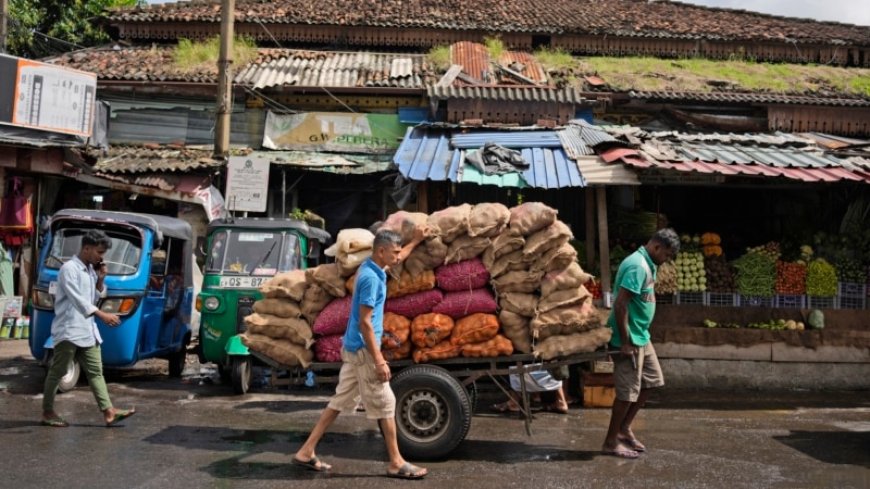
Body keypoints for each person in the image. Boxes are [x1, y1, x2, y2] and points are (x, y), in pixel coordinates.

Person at [293, 228, 429, 479]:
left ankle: (306, 450)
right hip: (365, 351)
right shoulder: (369, 279)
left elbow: (399, 257)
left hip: (355, 348)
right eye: (395, 252)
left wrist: (416, 240)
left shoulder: (375, 267)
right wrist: (378, 360)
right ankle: (396, 462)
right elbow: (365, 322)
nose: (398, 257)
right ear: (381, 251)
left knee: (339, 402)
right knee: (387, 403)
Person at [41, 230, 137, 428]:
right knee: (58, 371)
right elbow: (77, 299)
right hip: (69, 328)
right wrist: (102, 315)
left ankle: (109, 412)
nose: (101, 257)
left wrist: (101, 279)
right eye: (99, 252)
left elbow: (96, 296)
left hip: (87, 329)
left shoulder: (91, 270)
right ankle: (47, 411)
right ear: (86, 248)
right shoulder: (69, 269)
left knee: (96, 372)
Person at [601, 228, 679, 459]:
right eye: (666, 255)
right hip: (629, 339)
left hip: (641, 336)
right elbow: (620, 304)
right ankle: (610, 442)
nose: (666, 261)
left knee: (652, 382)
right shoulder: (637, 266)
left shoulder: (648, 263)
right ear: (656, 247)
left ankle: (624, 428)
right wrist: (624, 343)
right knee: (626, 394)